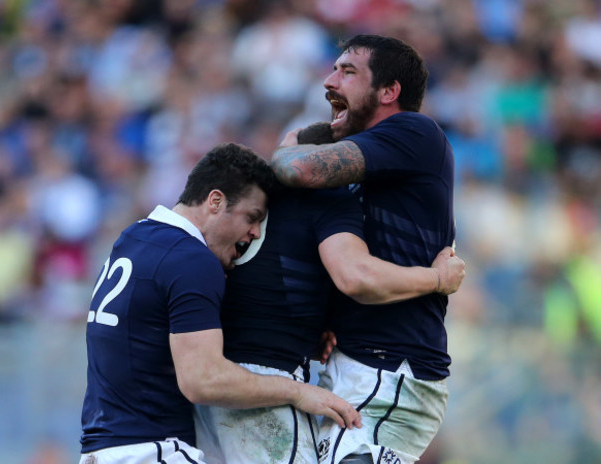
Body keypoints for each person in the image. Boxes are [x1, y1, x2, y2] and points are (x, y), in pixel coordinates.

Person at [79, 142, 361, 464]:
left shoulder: (134, 237)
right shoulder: (192, 259)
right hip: (153, 451)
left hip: (103, 450)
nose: (254, 233)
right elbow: (203, 380)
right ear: (215, 201)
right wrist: (297, 391)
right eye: (251, 217)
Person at [193, 131, 465, 463]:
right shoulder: (327, 198)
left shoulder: (238, 204)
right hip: (265, 391)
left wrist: (319, 322)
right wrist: (437, 279)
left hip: (210, 389)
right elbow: (356, 276)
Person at [270, 35, 459, 464]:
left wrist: (292, 143)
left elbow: (297, 168)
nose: (330, 80)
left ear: (389, 91)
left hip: (388, 369)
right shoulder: (378, 169)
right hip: (364, 365)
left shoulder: (414, 130)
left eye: (348, 71)